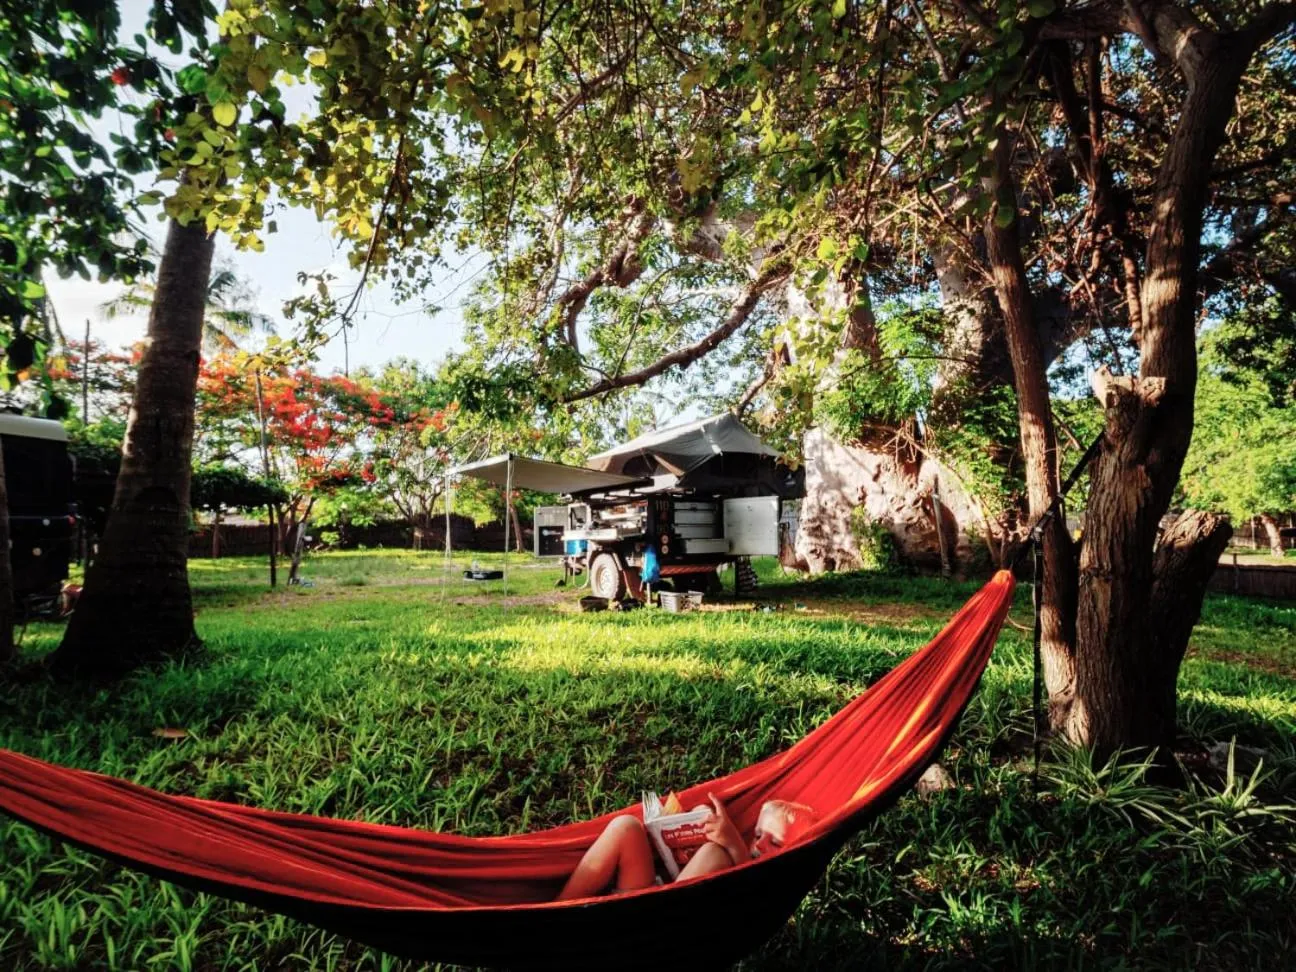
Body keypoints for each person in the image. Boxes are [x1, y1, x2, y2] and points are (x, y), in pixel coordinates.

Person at [557, 793, 817, 901]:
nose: (759, 843)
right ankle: (558, 909)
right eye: (758, 834)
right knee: (626, 827)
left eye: (775, 842)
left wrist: (732, 842)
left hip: (664, 926)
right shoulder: (739, 851)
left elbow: (752, 890)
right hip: (643, 897)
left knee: (715, 852)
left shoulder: (777, 883)